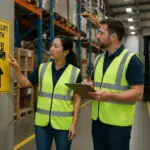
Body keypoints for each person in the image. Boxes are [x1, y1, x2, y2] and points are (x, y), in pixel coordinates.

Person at [9, 36, 82, 150]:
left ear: (66, 52)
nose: (51, 49)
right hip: (42, 124)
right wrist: (17, 68)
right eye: (51, 45)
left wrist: (74, 124)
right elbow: (24, 83)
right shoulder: (42, 68)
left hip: (63, 125)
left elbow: (77, 100)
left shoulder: (75, 72)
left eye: (56, 46)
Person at [83, 18, 144, 150]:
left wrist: (109, 95)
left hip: (118, 125)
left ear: (113, 36)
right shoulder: (99, 59)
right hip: (98, 122)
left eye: (101, 33)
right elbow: (95, 82)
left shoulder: (131, 60)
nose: (97, 36)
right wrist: (88, 85)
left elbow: (138, 93)